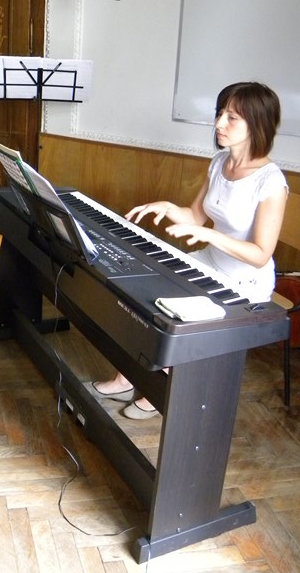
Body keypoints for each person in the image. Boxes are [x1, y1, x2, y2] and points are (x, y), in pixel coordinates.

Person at [93, 81, 288, 419]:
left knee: (175, 310)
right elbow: (196, 216)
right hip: (209, 262)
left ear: (257, 124)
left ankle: (165, 384)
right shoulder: (220, 161)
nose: (219, 124)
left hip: (245, 282)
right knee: (143, 290)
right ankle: (128, 376)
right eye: (220, 114)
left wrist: (207, 234)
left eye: (231, 118)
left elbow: (260, 253)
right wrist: (168, 207)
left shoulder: (270, 182)